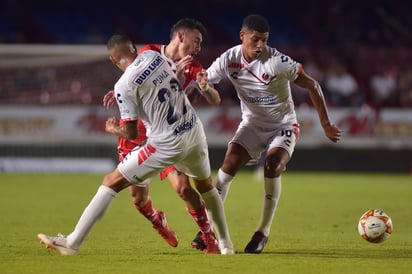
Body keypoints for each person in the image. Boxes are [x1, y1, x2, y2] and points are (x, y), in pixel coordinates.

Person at [37, 35, 235, 256]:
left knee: (110, 182)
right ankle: (224, 244)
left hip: (166, 143)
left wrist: (113, 129)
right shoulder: (153, 56)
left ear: (113, 60)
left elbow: (130, 132)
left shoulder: (124, 84)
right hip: (193, 131)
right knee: (206, 187)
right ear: (135, 48)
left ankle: (72, 242)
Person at [201, 14, 342, 254]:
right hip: (253, 124)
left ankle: (262, 232)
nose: (260, 46)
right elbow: (205, 80)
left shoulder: (277, 61)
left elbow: (313, 85)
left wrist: (326, 124)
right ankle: (206, 229)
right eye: (255, 40)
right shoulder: (229, 58)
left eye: (264, 40)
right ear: (242, 36)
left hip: (283, 125)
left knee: (273, 164)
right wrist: (198, 87)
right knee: (229, 163)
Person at [103, 18, 221, 252]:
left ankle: (209, 237)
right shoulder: (150, 53)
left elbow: (213, 98)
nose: (198, 47)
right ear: (181, 36)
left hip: (167, 136)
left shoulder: (193, 67)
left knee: (183, 188)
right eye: (196, 41)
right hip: (137, 134)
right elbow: (133, 80)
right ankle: (159, 221)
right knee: (137, 198)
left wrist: (204, 87)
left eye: (201, 43)